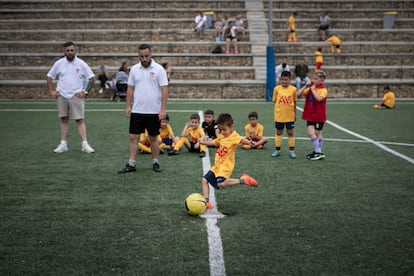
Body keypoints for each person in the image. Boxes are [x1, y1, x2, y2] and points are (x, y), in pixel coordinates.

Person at [118, 43, 168, 173]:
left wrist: (162, 109)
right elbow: (130, 88)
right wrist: (128, 106)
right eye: (141, 56)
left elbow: (164, 90)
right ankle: (131, 163)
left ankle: (155, 162)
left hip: (154, 111)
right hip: (137, 110)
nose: (144, 59)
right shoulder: (134, 69)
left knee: (153, 137)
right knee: (133, 137)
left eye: (146, 56)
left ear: (151, 54)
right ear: (138, 56)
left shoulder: (159, 69)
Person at [199, 113, 258, 210]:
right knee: (204, 180)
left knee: (220, 183)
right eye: (220, 130)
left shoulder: (234, 136)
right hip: (217, 166)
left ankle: (244, 180)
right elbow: (214, 142)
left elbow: (241, 140)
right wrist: (203, 142)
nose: (222, 132)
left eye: (224, 130)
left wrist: (250, 142)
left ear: (231, 127)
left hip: (225, 166)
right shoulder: (222, 136)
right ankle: (206, 202)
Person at [47, 41, 95, 154]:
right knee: (64, 119)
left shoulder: (81, 63)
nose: (70, 52)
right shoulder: (59, 63)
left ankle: (85, 144)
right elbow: (49, 76)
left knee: (80, 119)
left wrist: (85, 91)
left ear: (75, 51)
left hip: (76, 95)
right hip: (62, 95)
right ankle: (63, 144)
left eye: (72, 50)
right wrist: (52, 91)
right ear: (64, 51)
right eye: (67, 51)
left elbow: (92, 78)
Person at [297, 71, 328, 161]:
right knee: (311, 132)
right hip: (310, 114)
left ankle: (318, 152)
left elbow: (319, 99)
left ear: (322, 80)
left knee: (318, 133)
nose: (313, 80)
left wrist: (313, 90)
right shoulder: (310, 88)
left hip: (318, 115)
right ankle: (318, 152)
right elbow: (298, 94)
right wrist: (306, 86)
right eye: (312, 78)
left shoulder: (323, 90)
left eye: (316, 79)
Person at [271, 71, 298, 158]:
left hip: (290, 115)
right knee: (279, 132)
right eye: (282, 79)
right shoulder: (276, 89)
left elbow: (294, 102)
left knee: (290, 132)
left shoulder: (293, 89)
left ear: (290, 79)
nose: (284, 81)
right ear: (280, 80)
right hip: (279, 116)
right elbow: (275, 101)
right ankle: (277, 150)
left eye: (286, 80)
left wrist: (295, 114)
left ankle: (292, 150)